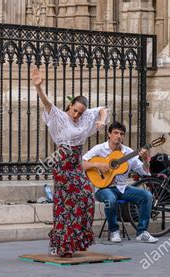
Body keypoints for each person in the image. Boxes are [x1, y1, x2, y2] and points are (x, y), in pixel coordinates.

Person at [31, 67, 109, 257]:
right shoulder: (60, 117)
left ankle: (72, 241)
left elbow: (102, 110)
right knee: (65, 204)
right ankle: (60, 244)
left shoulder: (84, 117)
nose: (76, 115)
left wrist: (102, 122)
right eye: (75, 111)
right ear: (70, 106)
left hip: (76, 163)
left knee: (86, 198)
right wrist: (39, 88)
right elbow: (47, 103)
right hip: (63, 164)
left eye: (80, 113)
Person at [82, 121, 158, 243]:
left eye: (121, 134)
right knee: (110, 200)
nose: (118, 136)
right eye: (115, 133)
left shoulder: (129, 152)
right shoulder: (99, 149)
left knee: (147, 196)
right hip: (103, 188)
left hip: (123, 188)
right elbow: (82, 164)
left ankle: (142, 232)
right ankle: (114, 231)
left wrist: (145, 160)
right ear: (109, 134)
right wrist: (98, 165)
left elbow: (145, 172)